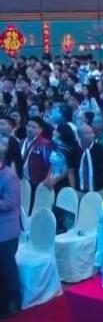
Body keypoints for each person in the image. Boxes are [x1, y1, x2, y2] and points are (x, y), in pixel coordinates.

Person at [0, 135, 21, 318]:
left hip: (6, 231)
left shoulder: (9, 176)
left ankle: (14, 302)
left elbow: (10, 203)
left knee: (7, 269)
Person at [77, 122, 103, 195]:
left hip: (99, 190)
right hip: (79, 191)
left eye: (92, 132)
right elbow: (71, 171)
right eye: (88, 133)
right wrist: (73, 188)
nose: (92, 135)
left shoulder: (101, 149)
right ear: (80, 136)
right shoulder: (74, 150)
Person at [21, 117, 51, 190]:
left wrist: (47, 179)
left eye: (34, 127)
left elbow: (50, 165)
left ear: (40, 130)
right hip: (21, 180)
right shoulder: (21, 142)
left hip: (37, 182)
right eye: (28, 126)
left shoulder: (45, 144)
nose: (30, 129)